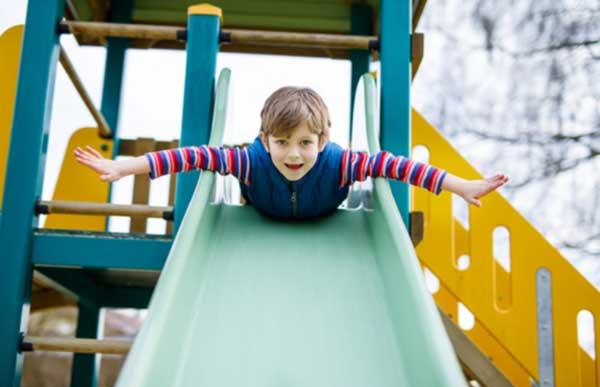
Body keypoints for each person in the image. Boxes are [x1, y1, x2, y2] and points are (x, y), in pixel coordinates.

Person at [74, 86, 508, 220]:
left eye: (305, 143)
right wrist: (123, 166)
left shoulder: (341, 163)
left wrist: (461, 186)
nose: (294, 154)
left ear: (322, 140)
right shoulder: (250, 160)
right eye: (282, 142)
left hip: (325, 213)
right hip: (262, 206)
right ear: (265, 139)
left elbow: (401, 167)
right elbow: (187, 157)